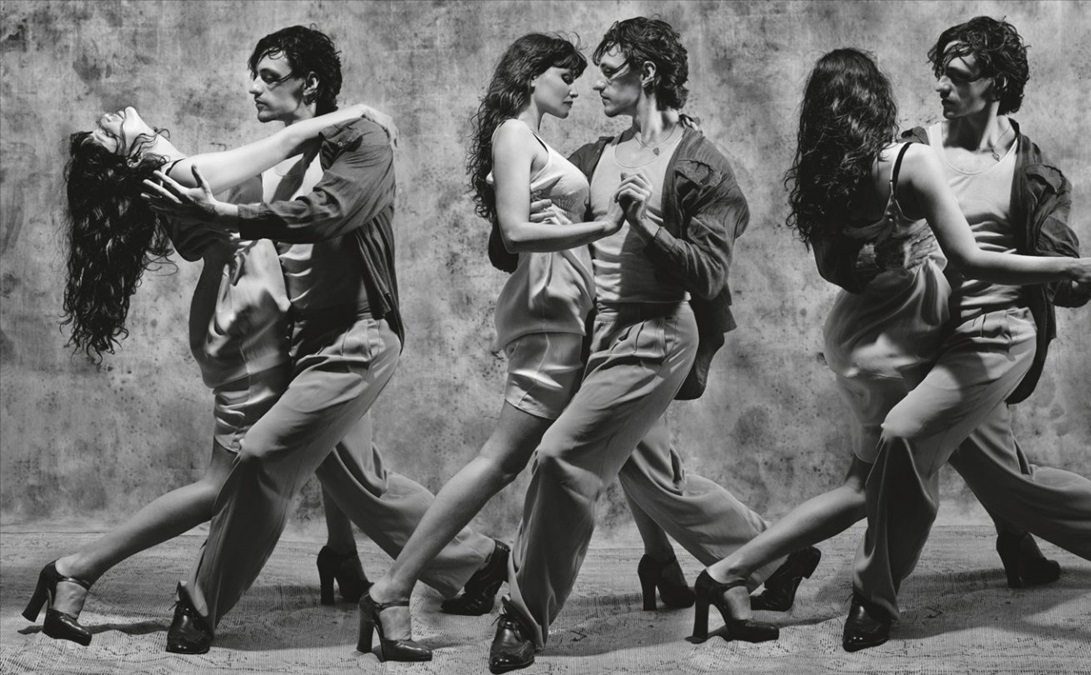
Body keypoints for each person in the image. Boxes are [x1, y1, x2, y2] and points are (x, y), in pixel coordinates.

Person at [140, 25, 503, 655]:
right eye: (254, 77)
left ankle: (201, 601)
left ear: (309, 84)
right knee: (364, 483)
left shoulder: (363, 141)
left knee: (261, 456)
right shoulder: (279, 158)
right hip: (302, 346)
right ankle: (477, 563)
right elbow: (209, 233)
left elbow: (328, 213)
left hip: (357, 338)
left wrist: (228, 213)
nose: (255, 88)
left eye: (269, 77)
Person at [843, 18, 1091, 652]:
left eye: (958, 76)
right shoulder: (913, 147)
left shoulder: (1033, 173)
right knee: (1007, 480)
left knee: (904, 433)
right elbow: (865, 233)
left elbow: (1060, 270)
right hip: (926, 330)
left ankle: (874, 596)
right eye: (940, 73)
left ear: (996, 83)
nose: (942, 86)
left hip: (997, 333)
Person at [357, 33, 692, 663]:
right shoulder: (514, 133)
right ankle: (391, 589)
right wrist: (601, 225)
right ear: (532, 76)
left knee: (622, 441)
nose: (576, 89)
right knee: (502, 460)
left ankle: (662, 565)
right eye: (566, 76)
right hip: (547, 314)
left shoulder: (534, 140)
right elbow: (512, 232)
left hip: (568, 309)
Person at [21, 100, 392, 646]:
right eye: (106, 132)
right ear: (125, 158)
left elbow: (222, 235)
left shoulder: (170, 169)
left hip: (240, 318)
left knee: (323, 439)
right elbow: (282, 145)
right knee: (224, 483)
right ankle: (75, 569)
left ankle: (340, 553)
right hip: (248, 329)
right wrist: (355, 112)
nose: (116, 115)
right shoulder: (182, 171)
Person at [488, 18, 793, 674]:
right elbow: (519, 240)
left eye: (610, 72)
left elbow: (709, 274)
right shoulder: (593, 157)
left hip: (657, 333)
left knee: (563, 456)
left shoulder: (702, 165)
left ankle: (522, 614)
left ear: (647, 74)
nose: (598, 85)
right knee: (654, 476)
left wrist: (648, 224)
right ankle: (773, 555)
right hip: (595, 336)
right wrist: (511, 206)